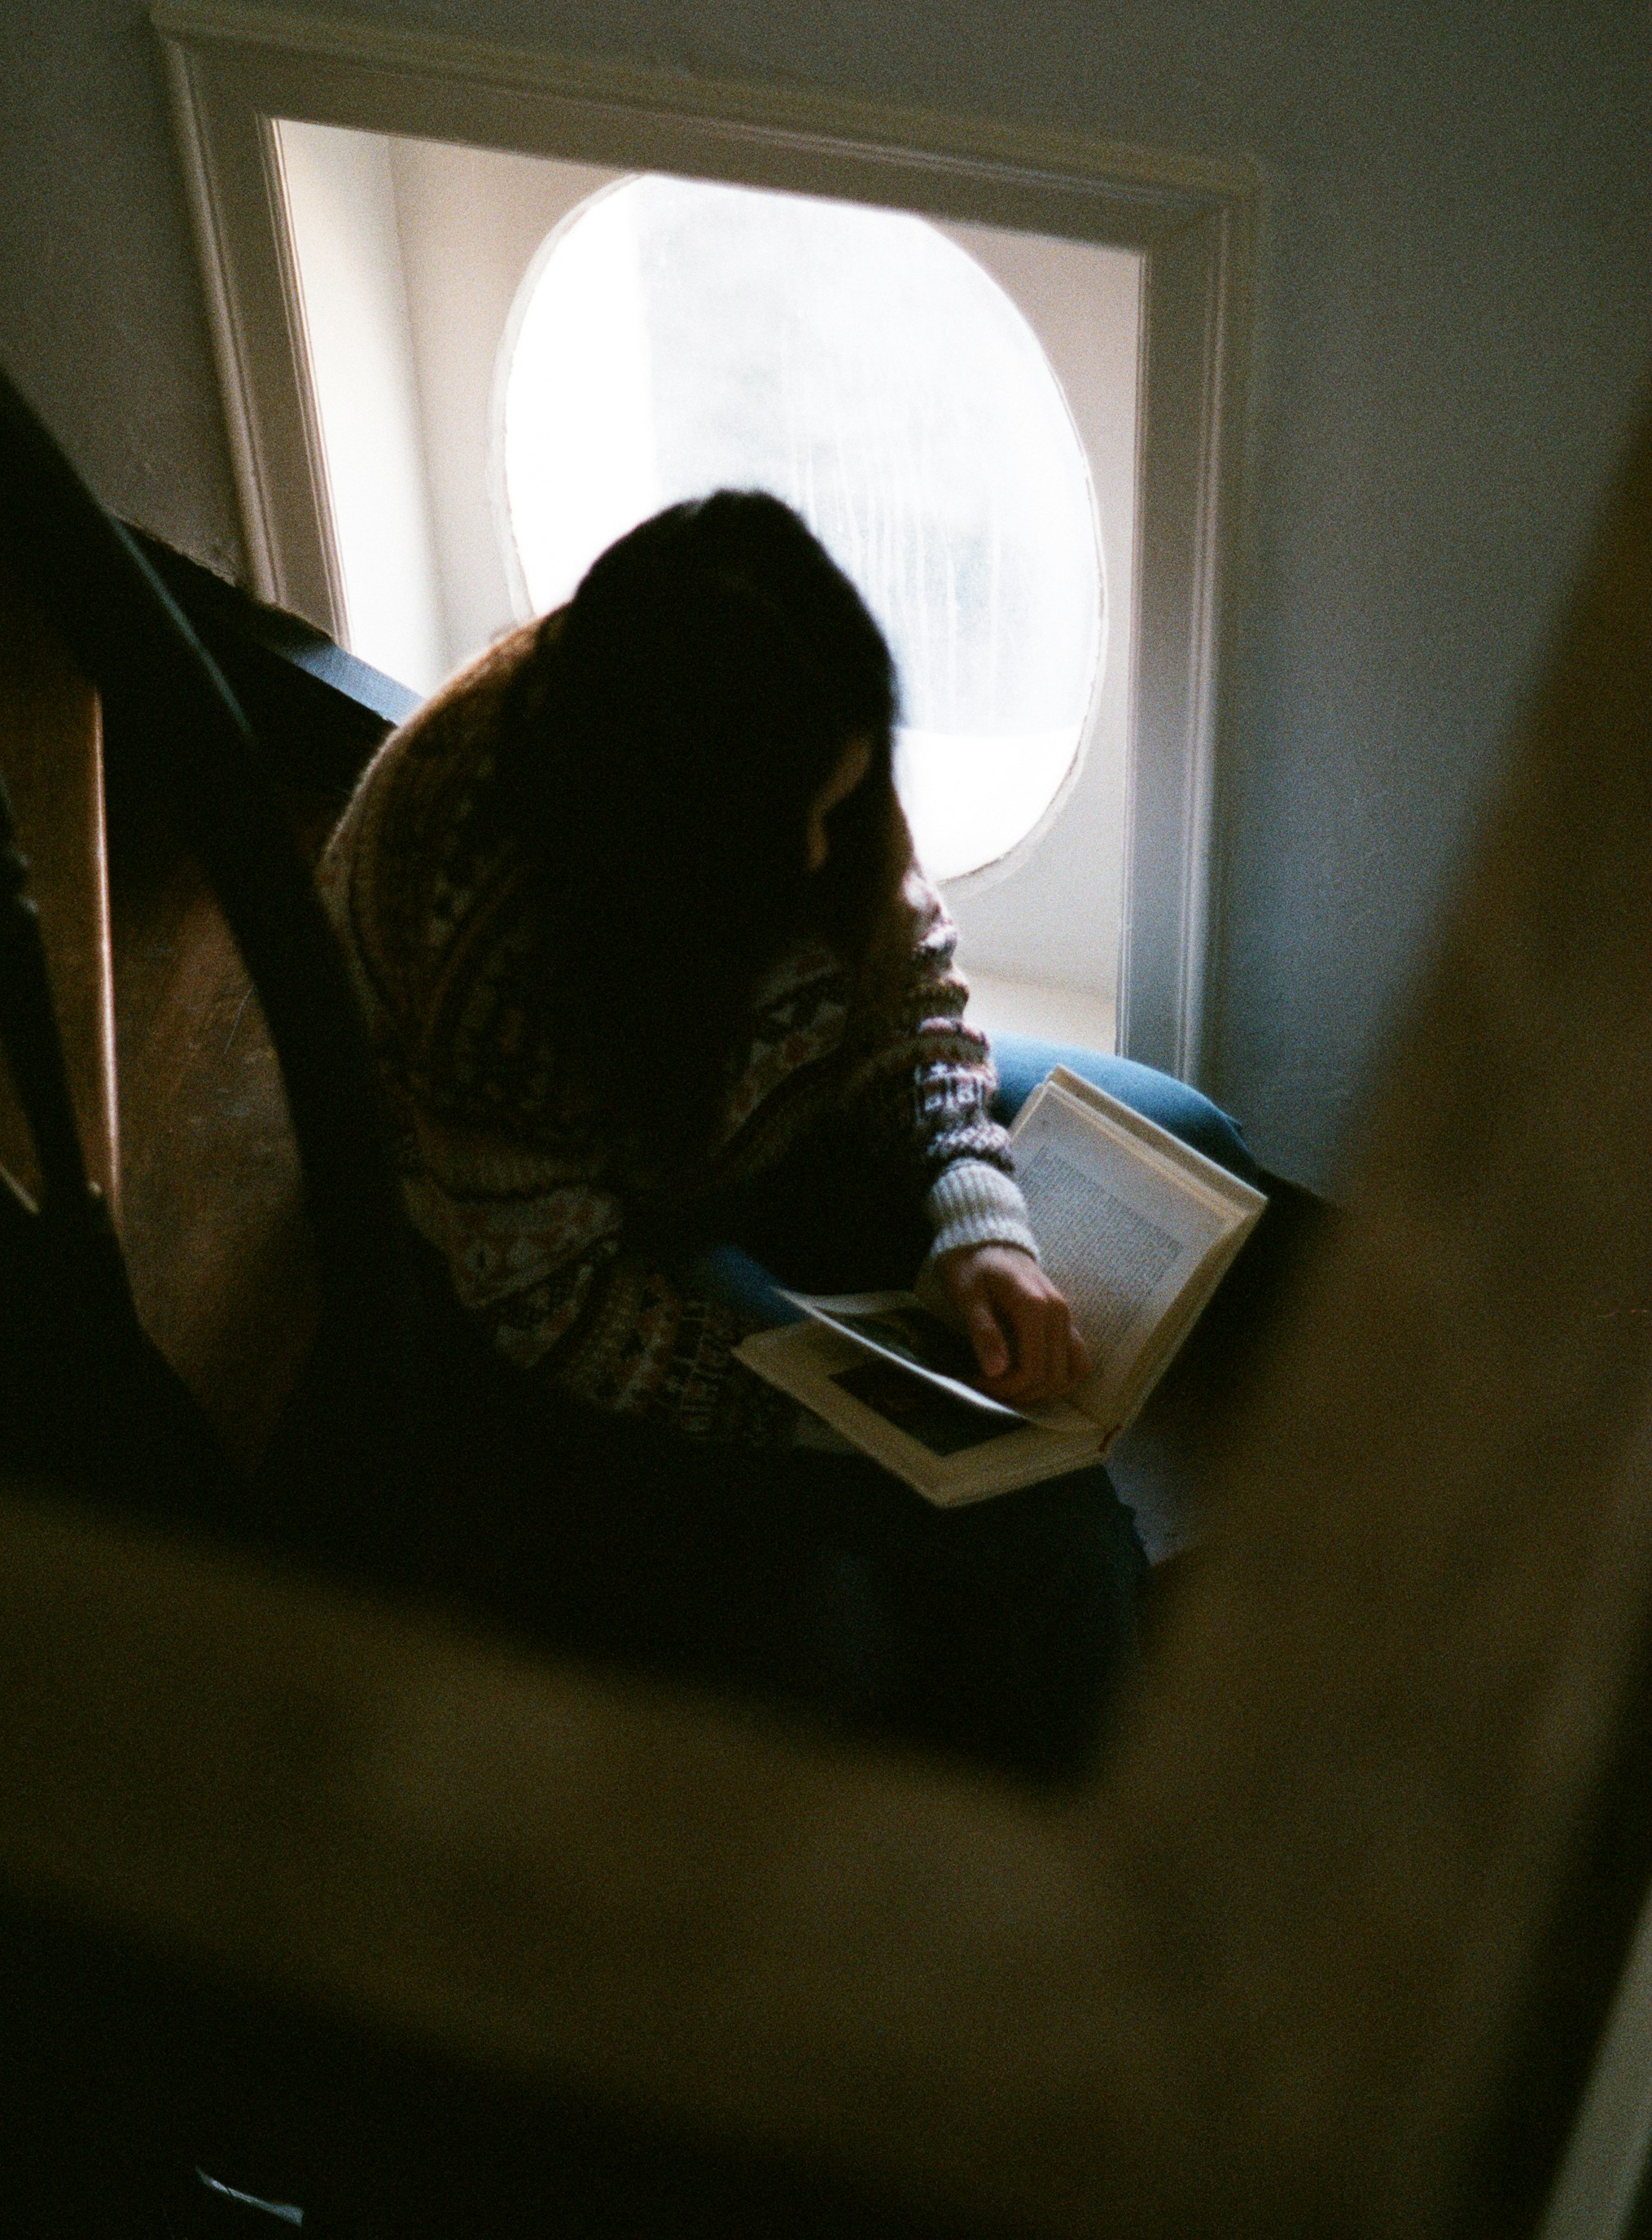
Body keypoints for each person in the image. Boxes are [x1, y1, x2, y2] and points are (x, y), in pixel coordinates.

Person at [320, 492, 1251, 1780]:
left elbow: (906, 981)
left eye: (847, 801)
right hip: (620, 1224)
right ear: (681, 851)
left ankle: (975, 1628)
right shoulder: (498, 935)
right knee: (1052, 1523)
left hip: (777, 1113)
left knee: (1195, 1141)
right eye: (791, 834)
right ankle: (1083, 1835)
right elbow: (551, 1297)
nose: (829, 849)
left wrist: (975, 1212)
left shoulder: (780, 724)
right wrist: (858, 1416)